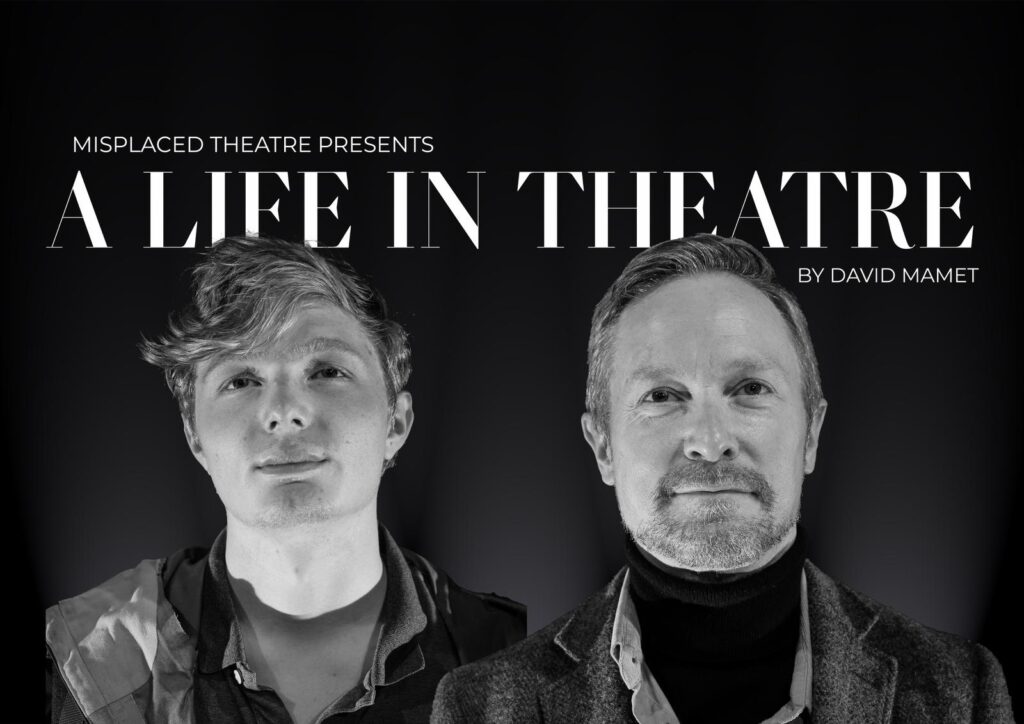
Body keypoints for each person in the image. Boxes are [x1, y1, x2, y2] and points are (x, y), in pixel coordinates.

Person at [431, 234, 1013, 723]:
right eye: (662, 395)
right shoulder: (481, 708)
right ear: (602, 446)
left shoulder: (961, 694)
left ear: (811, 434)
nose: (710, 441)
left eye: (751, 389)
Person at [45, 235, 525, 724]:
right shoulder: (78, 662)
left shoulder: (510, 655)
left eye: (326, 371)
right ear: (195, 438)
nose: (283, 411)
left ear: (395, 424)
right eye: (241, 380)